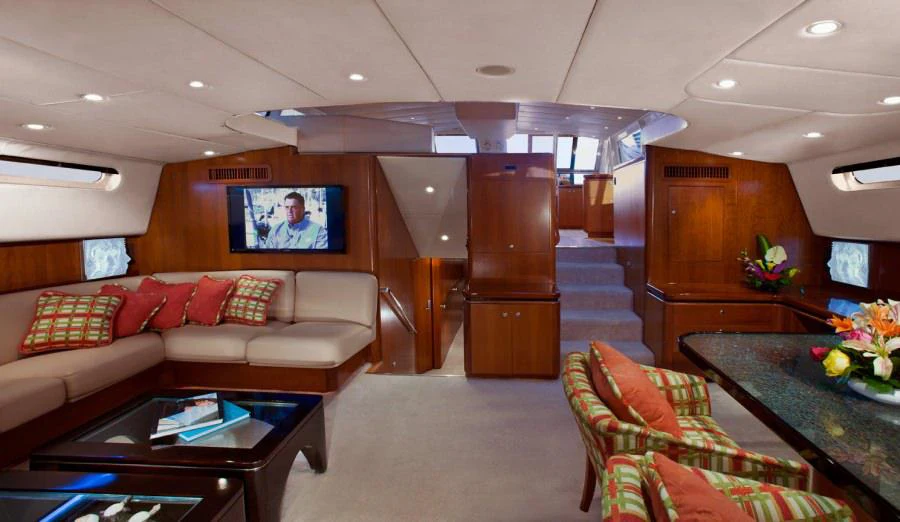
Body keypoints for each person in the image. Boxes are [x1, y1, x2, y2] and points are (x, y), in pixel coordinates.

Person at [262, 192, 327, 249]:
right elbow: (268, 255)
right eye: (287, 207)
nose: (289, 211)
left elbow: (322, 258)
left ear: (303, 209)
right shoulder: (275, 230)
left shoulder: (318, 231)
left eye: (294, 207)